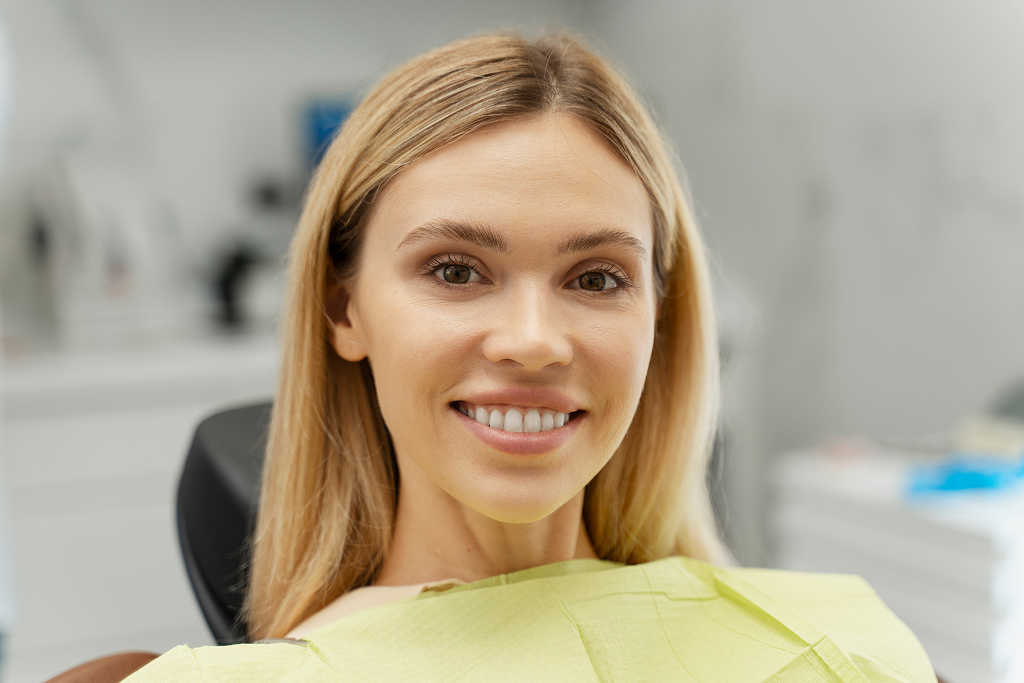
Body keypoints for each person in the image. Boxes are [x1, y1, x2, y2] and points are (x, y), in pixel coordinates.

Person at [82, 31, 934, 682]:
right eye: (455, 270)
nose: (532, 339)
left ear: (660, 321)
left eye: (596, 277)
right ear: (345, 308)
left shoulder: (844, 644)